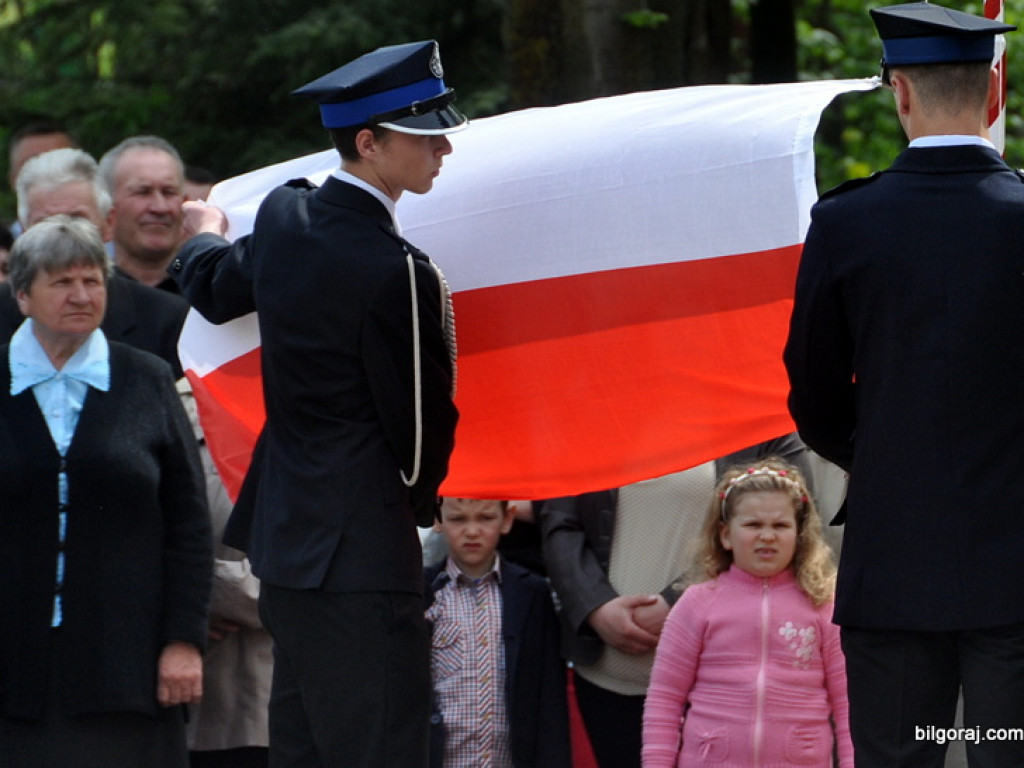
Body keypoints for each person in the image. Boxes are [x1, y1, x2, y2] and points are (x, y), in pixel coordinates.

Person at [169, 40, 463, 767]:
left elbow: (213, 286)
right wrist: (417, 511)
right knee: (381, 748)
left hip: (287, 542)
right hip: (362, 552)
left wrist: (199, 238)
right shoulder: (398, 270)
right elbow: (423, 434)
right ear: (369, 143)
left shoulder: (287, 217)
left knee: (303, 749)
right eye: (426, 133)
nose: (445, 147)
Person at [783, 3, 1024, 766]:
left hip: (895, 564)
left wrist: (884, 449)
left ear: (900, 93)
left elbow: (811, 390)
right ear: (995, 95)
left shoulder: (847, 223)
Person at [0, 215, 212, 768]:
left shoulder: (146, 377)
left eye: (93, 280)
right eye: (62, 282)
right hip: (13, 672)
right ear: (22, 295)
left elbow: (187, 527)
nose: (82, 294)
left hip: (129, 669)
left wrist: (184, 642)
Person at [538, 434, 811, 768]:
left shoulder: (760, 419)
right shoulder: (589, 417)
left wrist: (677, 603)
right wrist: (595, 606)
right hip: (605, 679)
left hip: (718, 688)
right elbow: (559, 521)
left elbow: (790, 526)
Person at [641, 459, 852, 767]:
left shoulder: (822, 605)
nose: (767, 536)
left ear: (800, 534)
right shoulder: (696, 603)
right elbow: (665, 699)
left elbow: (847, 704)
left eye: (780, 525)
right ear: (725, 535)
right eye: (753, 525)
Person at [0, 147, 188, 377]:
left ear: (109, 223)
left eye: (77, 220)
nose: (64, 236)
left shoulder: (166, 318)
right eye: (46, 223)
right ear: (24, 230)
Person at [425, 498, 570, 768]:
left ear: (507, 519)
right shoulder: (422, 594)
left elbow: (550, 699)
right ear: (437, 520)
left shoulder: (532, 594)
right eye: (458, 519)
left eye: (485, 518)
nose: (472, 530)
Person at [99, 135, 187, 292]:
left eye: (169, 192)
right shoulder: (88, 297)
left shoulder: (209, 293)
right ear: (107, 206)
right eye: (143, 192)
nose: (160, 207)